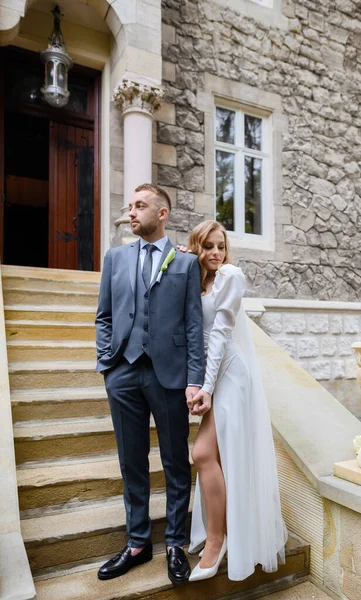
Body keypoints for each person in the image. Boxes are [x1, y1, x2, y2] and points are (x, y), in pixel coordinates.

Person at [95, 183, 204, 584]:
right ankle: (138, 543)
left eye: (141, 206)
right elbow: (103, 316)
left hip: (170, 376)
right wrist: (107, 364)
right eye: (131, 206)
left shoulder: (185, 263)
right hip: (123, 372)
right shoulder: (116, 258)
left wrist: (195, 380)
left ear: (162, 213)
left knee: (176, 462)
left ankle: (175, 543)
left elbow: (194, 326)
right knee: (131, 461)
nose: (132, 212)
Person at [179, 220, 288, 582]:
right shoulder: (198, 279)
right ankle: (224, 530)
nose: (215, 253)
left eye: (220, 246)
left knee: (203, 453)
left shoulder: (230, 276)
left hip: (230, 373)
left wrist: (206, 388)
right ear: (197, 246)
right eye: (208, 246)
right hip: (212, 374)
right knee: (216, 456)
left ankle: (217, 539)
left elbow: (222, 333)